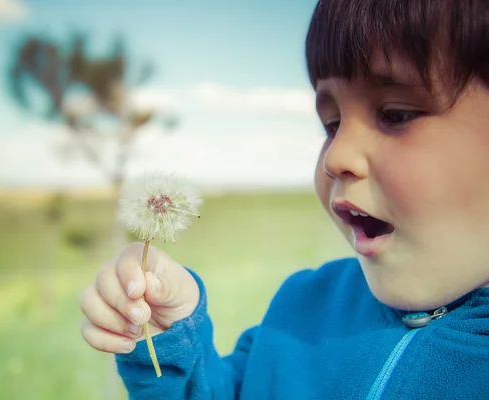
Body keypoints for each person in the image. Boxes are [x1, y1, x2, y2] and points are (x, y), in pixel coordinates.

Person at [79, 1, 489, 398]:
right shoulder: (301, 309)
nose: (336, 156)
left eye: (396, 114)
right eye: (331, 124)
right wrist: (171, 345)